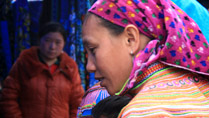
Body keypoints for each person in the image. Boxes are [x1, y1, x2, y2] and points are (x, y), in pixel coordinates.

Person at [81, 0, 209, 117]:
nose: (89, 66)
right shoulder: (200, 91)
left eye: (93, 49)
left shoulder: (143, 111)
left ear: (130, 39)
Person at [0, 22, 84, 118]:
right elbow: (8, 98)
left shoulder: (69, 67)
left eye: (58, 42)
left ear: (64, 44)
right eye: (48, 40)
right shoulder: (25, 63)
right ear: (39, 40)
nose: (52, 46)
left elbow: (78, 103)